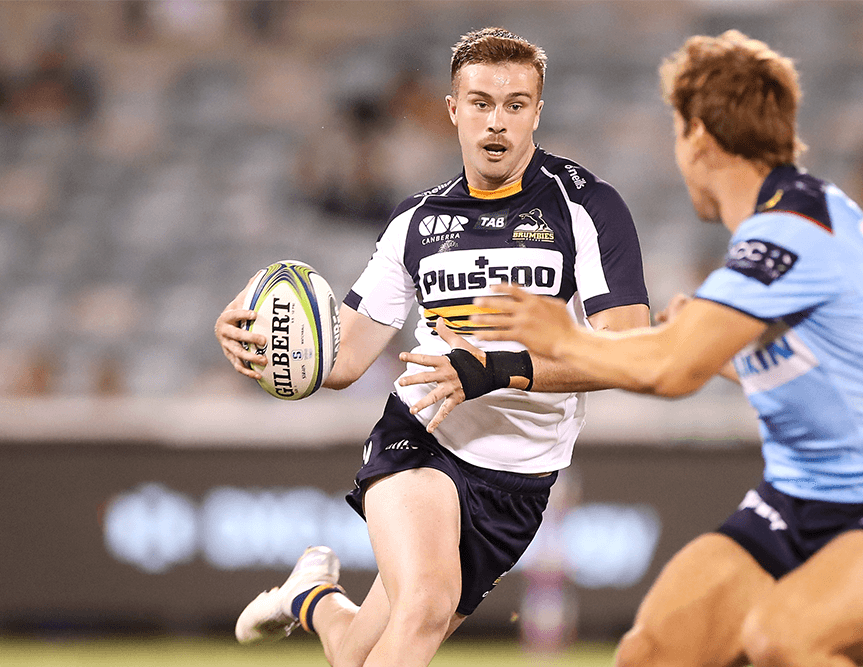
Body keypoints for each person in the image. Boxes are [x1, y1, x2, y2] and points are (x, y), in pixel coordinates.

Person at [470, 30, 863, 667]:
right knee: (652, 653)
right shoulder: (800, 218)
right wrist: (715, 353)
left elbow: (671, 371)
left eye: (678, 133)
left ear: (700, 138)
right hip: (799, 504)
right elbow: (811, 366)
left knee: (786, 640)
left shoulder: (791, 230)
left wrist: (567, 336)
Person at [213, 27, 649, 667]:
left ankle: (311, 600)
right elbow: (343, 361)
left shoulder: (588, 208)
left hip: (520, 479)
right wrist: (258, 342)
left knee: (356, 652)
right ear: (452, 110)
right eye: (479, 103)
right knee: (422, 609)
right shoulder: (415, 221)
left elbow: (628, 349)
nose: (496, 122)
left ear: (537, 111)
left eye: (515, 104)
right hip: (424, 433)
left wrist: (491, 369)